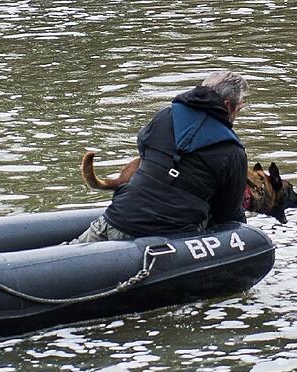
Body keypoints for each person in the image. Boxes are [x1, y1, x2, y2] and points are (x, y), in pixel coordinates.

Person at [72, 71, 250, 243]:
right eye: (239, 109)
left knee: (63, 258)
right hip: (172, 238)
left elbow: (144, 150)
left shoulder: (165, 116)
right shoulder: (233, 151)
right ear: (228, 106)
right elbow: (228, 216)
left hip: (118, 218)